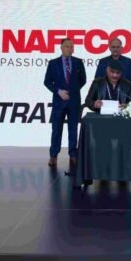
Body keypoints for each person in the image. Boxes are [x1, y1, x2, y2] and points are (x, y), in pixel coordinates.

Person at [43, 38, 87, 166]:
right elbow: (47, 82)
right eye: (67, 46)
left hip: (74, 102)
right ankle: (53, 155)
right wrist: (58, 91)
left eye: (71, 46)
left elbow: (83, 80)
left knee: (73, 129)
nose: (69, 48)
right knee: (56, 130)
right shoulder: (53, 63)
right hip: (59, 102)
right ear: (61, 48)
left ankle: (73, 154)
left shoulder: (78, 62)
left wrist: (73, 90)